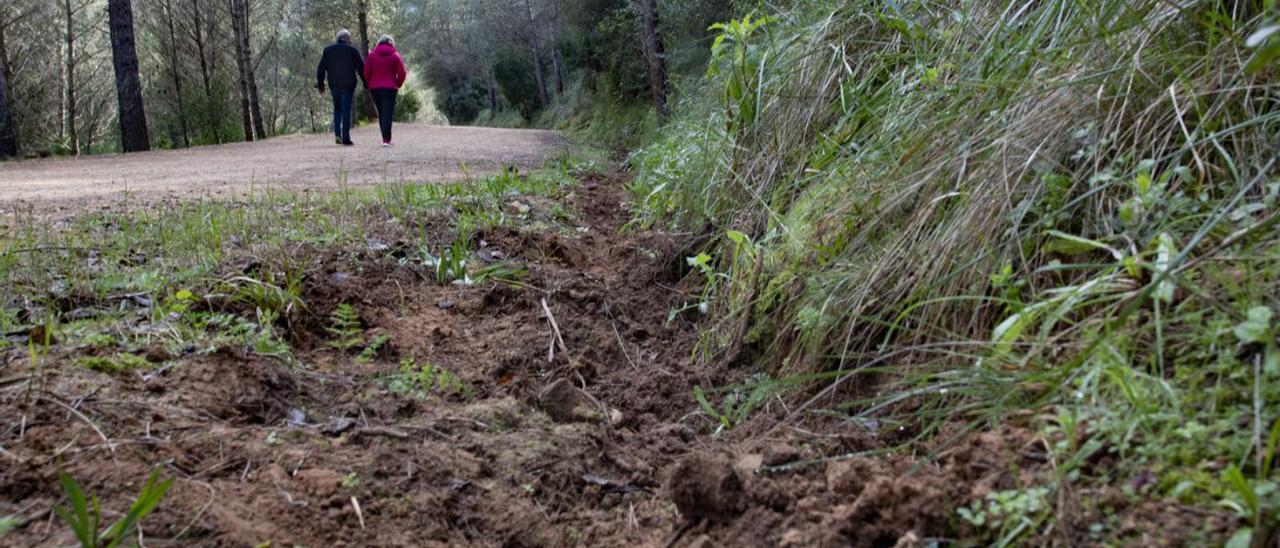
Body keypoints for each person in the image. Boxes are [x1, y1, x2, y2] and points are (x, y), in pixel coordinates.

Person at [316, 29, 365, 146]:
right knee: (346, 110)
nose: (351, 40)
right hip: (348, 86)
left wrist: (321, 84)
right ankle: (346, 138)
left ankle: (337, 134)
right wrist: (366, 83)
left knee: (337, 109)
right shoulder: (352, 51)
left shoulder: (328, 50)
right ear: (347, 38)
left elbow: (321, 69)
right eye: (350, 38)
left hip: (334, 85)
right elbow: (362, 69)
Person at [363, 35, 408, 147]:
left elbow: (366, 72)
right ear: (391, 43)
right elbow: (402, 73)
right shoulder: (395, 56)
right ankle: (386, 140)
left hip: (375, 88)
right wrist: (398, 83)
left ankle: (385, 138)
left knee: (381, 112)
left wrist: (369, 84)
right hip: (390, 88)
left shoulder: (371, 55)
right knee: (387, 113)